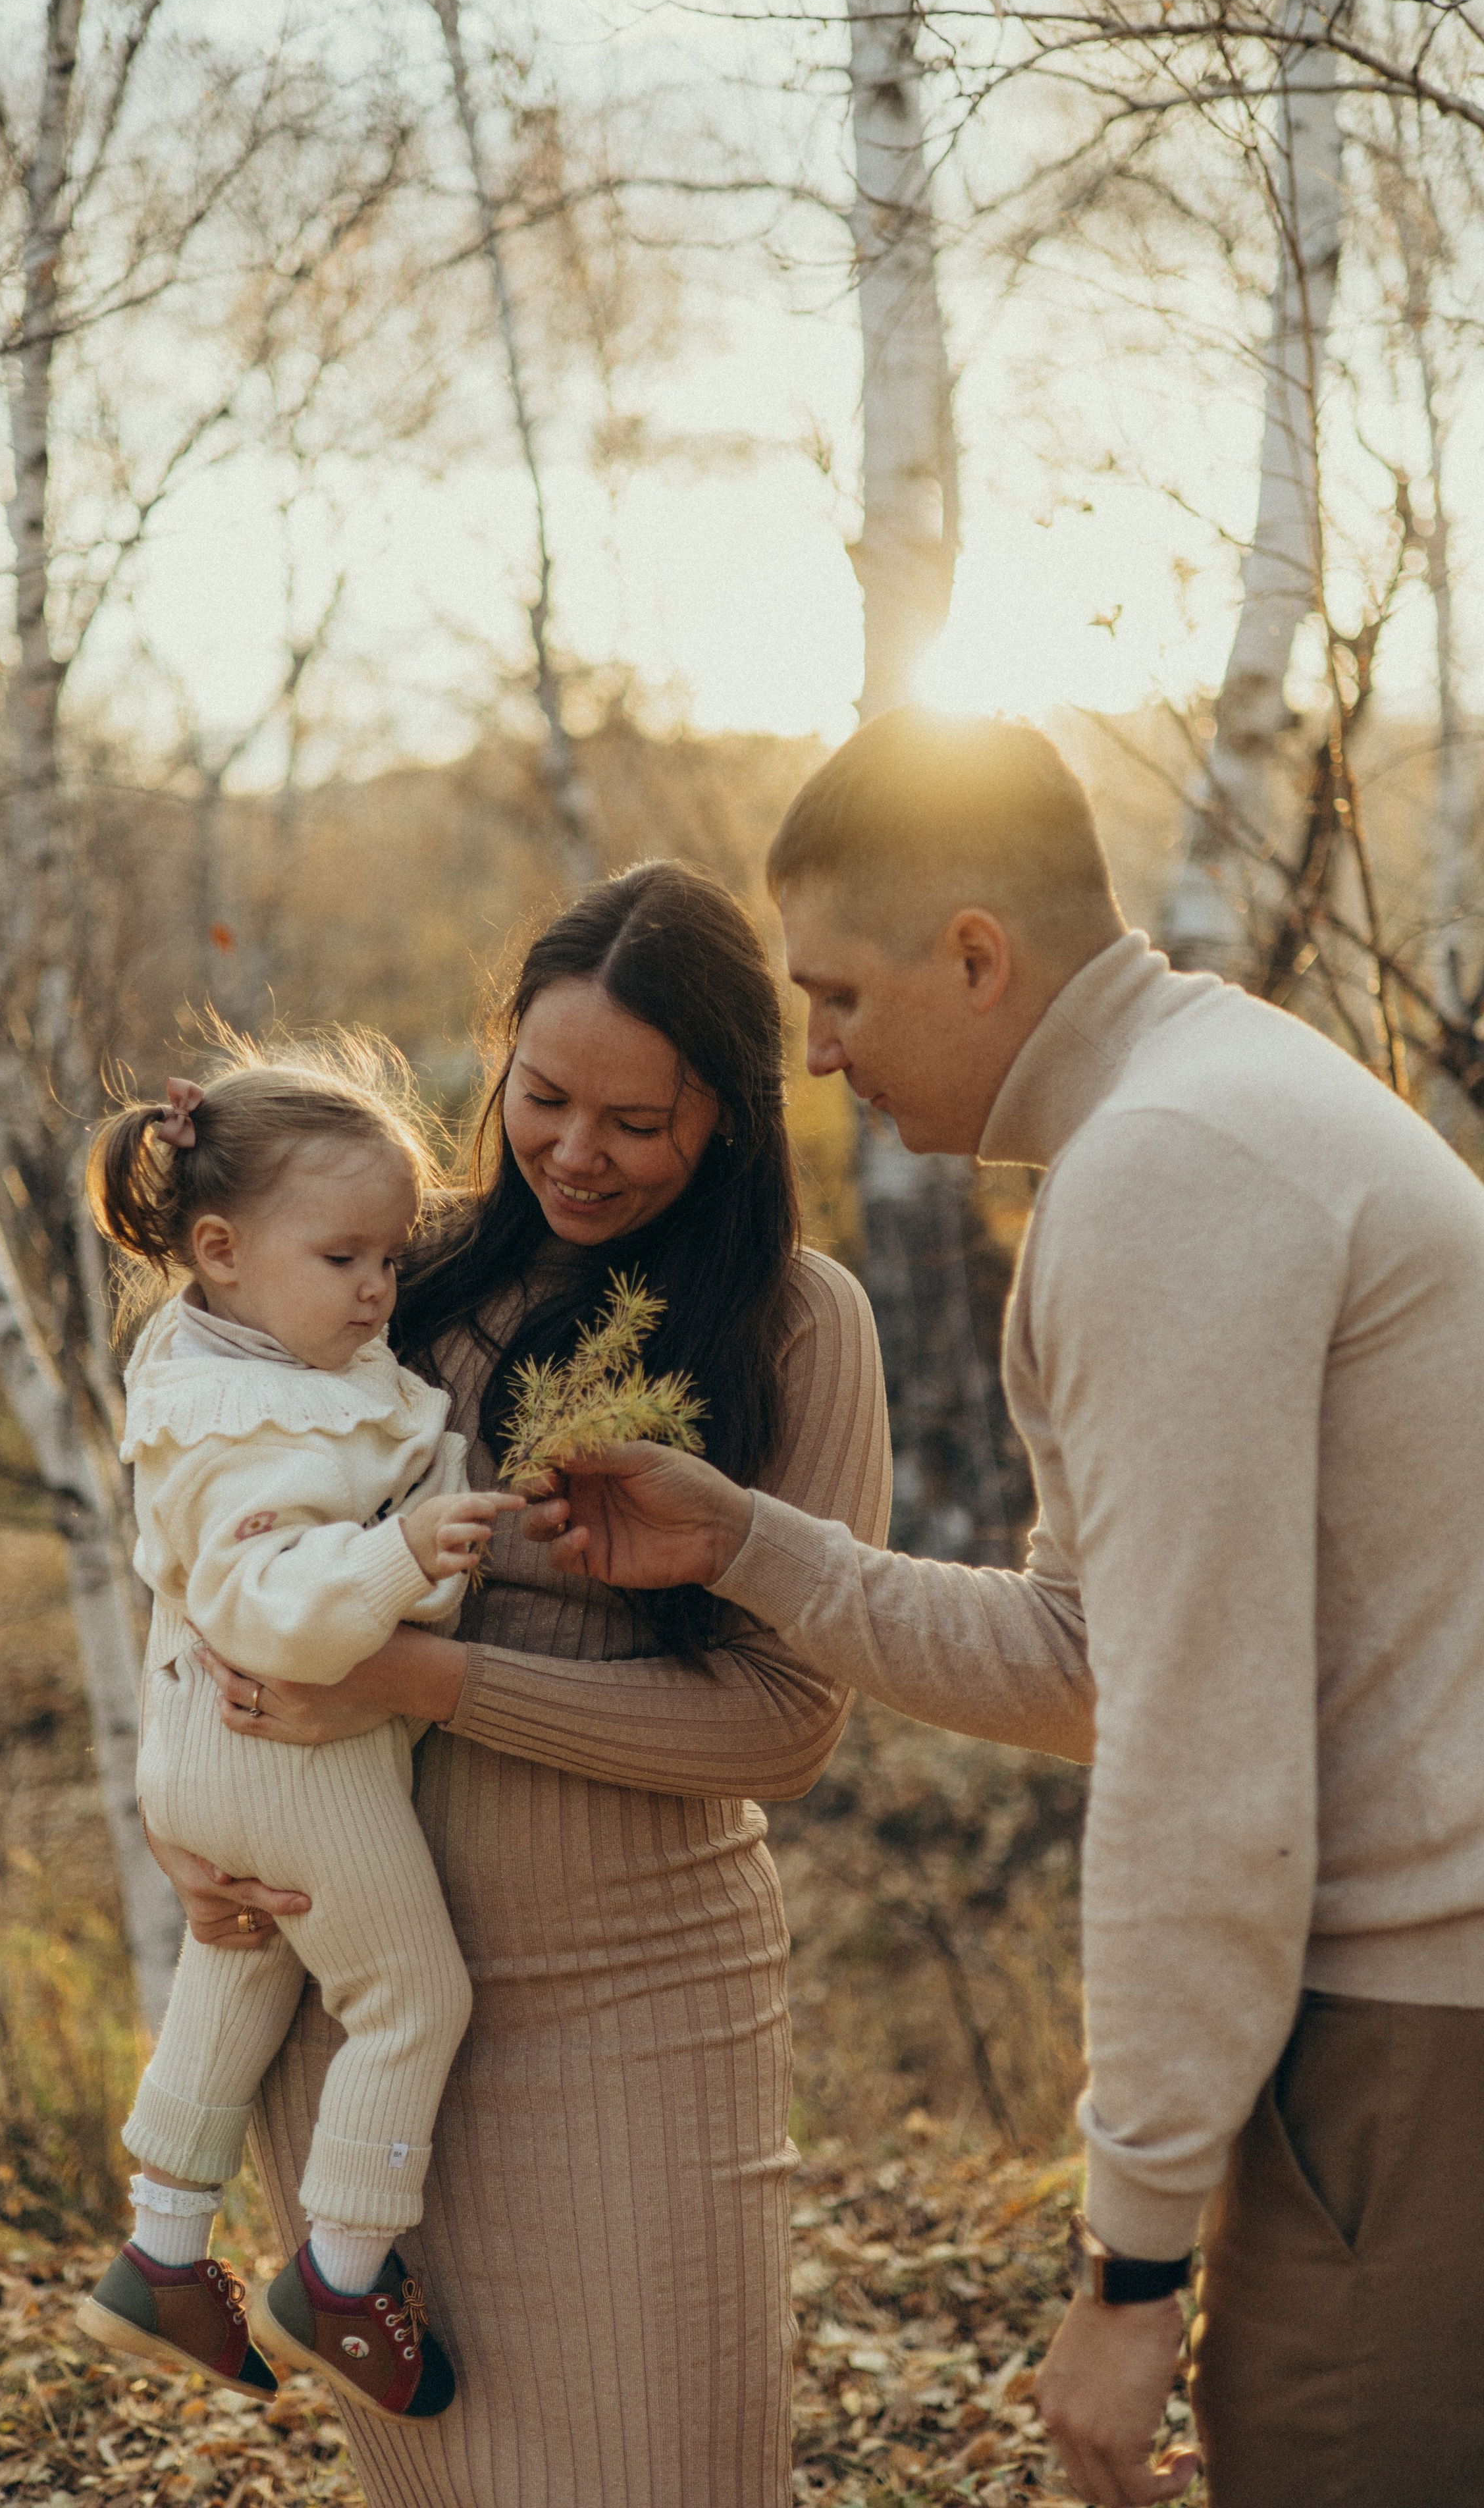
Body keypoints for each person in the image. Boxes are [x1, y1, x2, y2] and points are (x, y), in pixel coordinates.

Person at [522, 712, 1484, 2508]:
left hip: (1426, 2023)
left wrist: (1129, 2266)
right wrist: (751, 1544)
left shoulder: (1170, 1175)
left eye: (838, 997)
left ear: (977, 954)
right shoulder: (1200, 1111)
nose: (814, 1059)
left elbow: (1199, 1757)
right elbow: (1096, 1663)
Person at [144, 862, 893, 2508]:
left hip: (640, 2003)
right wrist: (192, 1818)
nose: (572, 1150)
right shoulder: (384, 1282)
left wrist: (431, 1680)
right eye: (542, 1096)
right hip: (359, 2015)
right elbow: (198, 1550)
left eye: (637, 1121)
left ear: (730, 1120)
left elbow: (786, 1727)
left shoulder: (793, 1326)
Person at [76, 1034, 520, 2421]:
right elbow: (272, 1608)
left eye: (390, 1257)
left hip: (201, 1751)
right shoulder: (254, 1418)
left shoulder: (211, 1366)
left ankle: (161, 2248)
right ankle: (340, 2274)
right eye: (345, 1260)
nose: (380, 1289)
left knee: (244, 1973)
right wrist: (409, 1557)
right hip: (289, 1746)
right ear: (218, 1250)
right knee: (413, 1996)